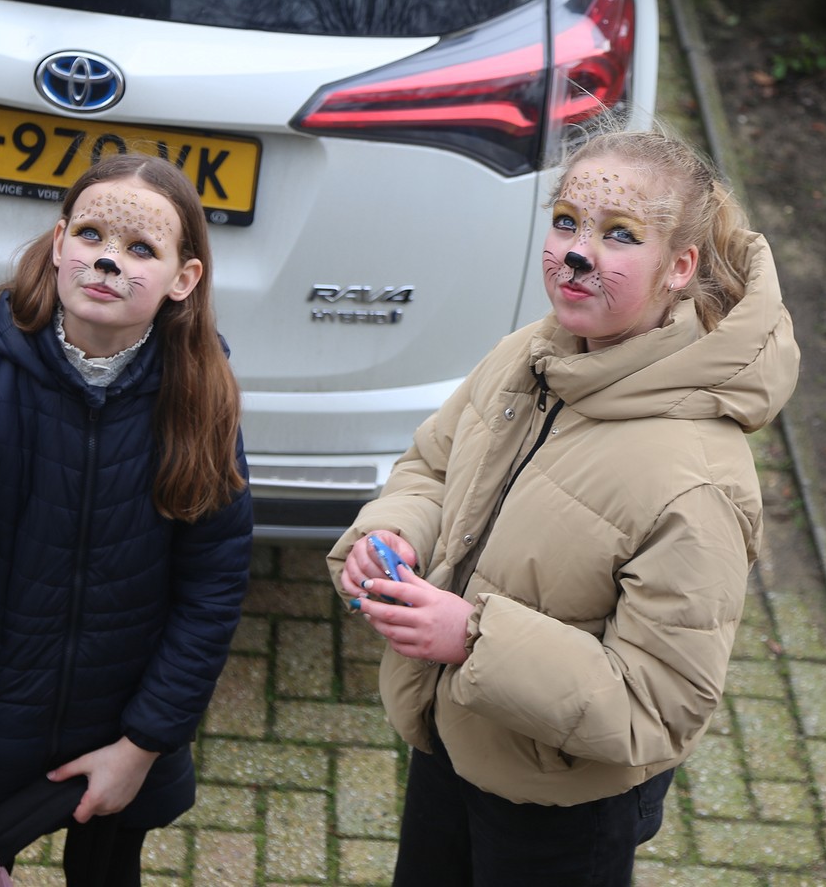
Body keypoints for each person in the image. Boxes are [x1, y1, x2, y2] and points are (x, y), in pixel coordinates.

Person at [329, 126, 800, 886]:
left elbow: (659, 703)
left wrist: (472, 638)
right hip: (451, 738)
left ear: (680, 267)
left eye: (620, 234)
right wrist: (393, 533)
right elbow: (433, 467)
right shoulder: (527, 356)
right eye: (566, 221)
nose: (577, 253)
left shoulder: (698, 482)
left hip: (561, 806)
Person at [0, 153, 253, 887]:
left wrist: (143, 745)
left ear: (184, 279)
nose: (107, 261)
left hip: (123, 728)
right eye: (91, 235)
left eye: (141, 248)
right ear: (59, 243)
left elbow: (211, 591)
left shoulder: (201, 403)